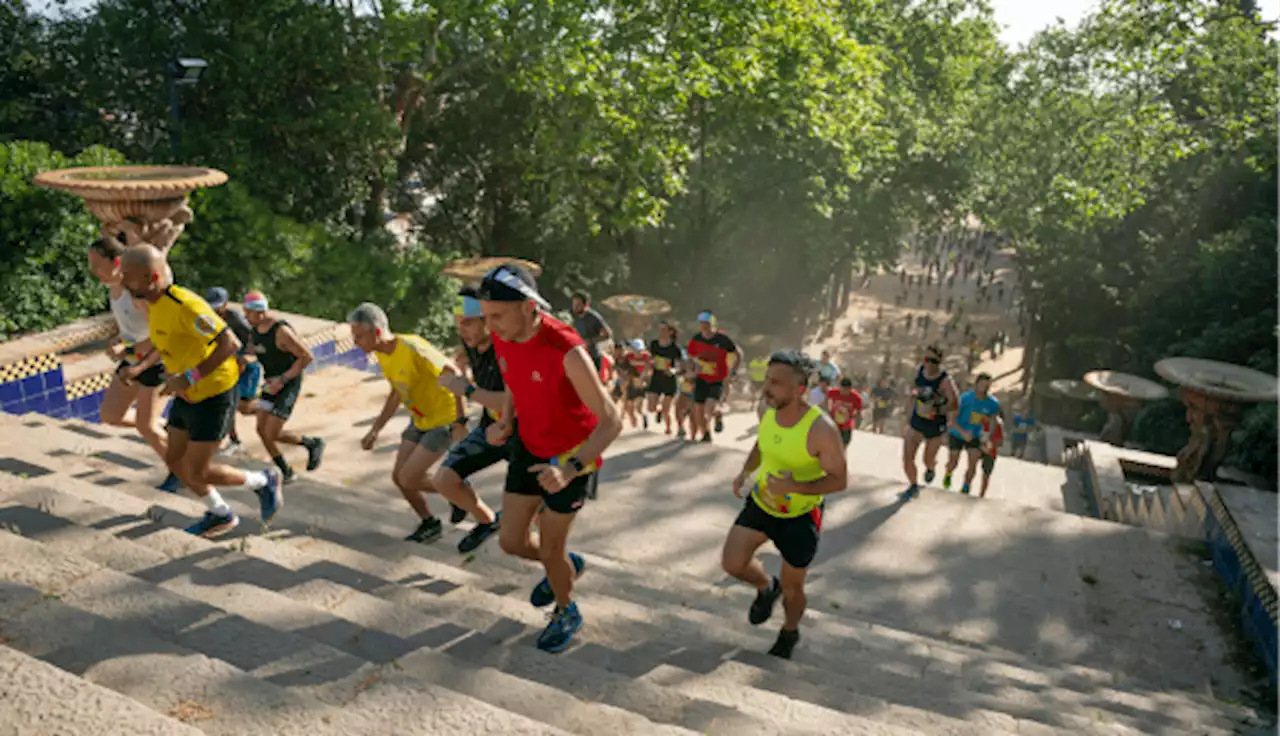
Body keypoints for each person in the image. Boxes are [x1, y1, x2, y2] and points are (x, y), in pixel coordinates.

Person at [477, 263, 622, 653]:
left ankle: (566, 608)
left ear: (527, 307)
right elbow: (513, 380)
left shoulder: (568, 350)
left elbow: (612, 422)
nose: (490, 327)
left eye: (497, 316)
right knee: (510, 541)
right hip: (528, 443)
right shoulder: (505, 335)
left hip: (573, 456)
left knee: (550, 549)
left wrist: (569, 468)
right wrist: (505, 420)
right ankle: (564, 566)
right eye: (486, 316)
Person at [118, 245, 281, 537]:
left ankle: (263, 481)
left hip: (214, 394)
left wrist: (190, 377)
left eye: (128, 277)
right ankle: (221, 514)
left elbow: (229, 343)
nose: (123, 282)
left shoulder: (186, 306)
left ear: (151, 277)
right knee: (174, 460)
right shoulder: (155, 304)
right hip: (187, 394)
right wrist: (136, 364)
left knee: (198, 471)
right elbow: (163, 342)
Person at [722, 350, 848, 659]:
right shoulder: (767, 409)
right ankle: (766, 586)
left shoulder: (821, 430)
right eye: (767, 379)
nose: (767, 388)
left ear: (799, 389)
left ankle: (789, 632)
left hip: (801, 515)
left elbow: (839, 480)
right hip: (763, 501)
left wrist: (796, 486)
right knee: (732, 563)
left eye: (776, 383)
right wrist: (746, 470)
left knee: (794, 589)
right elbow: (762, 443)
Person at [350, 302, 468, 544]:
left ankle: (457, 490)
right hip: (420, 419)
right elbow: (396, 392)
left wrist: (461, 421)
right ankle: (430, 522)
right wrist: (376, 429)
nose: (355, 342)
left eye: (359, 336)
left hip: (443, 418)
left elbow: (454, 371)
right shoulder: (383, 354)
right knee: (399, 477)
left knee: (409, 477)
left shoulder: (412, 346)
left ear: (378, 332)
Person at [87, 238, 178, 492]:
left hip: (155, 363)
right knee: (110, 416)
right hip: (131, 361)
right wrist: (118, 339)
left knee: (145, 426)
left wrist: (127, 350)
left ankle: (179, 471)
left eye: (97, 264)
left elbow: (161, 335)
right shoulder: (113, 288)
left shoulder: (136, 292)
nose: (93, 271)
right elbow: (132, 328)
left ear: (116, 262)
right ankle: (168, 430)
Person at [432, 289, 505, 553]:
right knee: (444, 480)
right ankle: (487, 521)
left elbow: (514, 404)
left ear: (488, 321)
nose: (462, 330)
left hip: (524, 433)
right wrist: (460, 418)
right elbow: (459, 367)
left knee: (529, 521)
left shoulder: (508, 349)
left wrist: (468, 390)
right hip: (490, 427)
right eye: (458, 322)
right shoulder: (470, 346)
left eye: (468, 322)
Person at [242, 291, 325, 483]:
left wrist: (283, 380)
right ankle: (285, 470)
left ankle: (311, 443)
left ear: (260, 312)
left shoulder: (281, 332)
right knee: (261, 430)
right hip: (271, 383)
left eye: (248, 313)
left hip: (288, 383)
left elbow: (306, 356)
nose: (245, 317)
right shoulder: (254, 330)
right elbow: (254, 351)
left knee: (273, 432)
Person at [206, 287, 259, 455]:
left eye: (218, 307)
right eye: (211, 306)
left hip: (246, 365)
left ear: (225, 305)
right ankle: (234, 440)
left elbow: (254, 339)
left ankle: (270, 409)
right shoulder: (208, 318)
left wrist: (245, 359)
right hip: (228, 366)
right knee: (229, 403)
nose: (215, 310)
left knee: (243, 407)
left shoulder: (236, 319)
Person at [901, 345, 958, 500]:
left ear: (940, 362)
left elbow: (954, 403)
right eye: (927, 359)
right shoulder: (920, 371)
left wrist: (937, 410)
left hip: (935, 424)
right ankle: (913, 486)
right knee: (907, 456)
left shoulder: (945, 380)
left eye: (934, 361)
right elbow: (913, 391)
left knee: (927, 458)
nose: (930, 364)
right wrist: (907, 415)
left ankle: (931, 467)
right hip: (917, 420)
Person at [686, 311, 742, 443]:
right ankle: (706, 434)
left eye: (707, 324)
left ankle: (717, 415)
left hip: (717, 379)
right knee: (698, 411)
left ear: (713, 324)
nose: (704, 326)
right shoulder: (696, 339)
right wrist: (690, 370)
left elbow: (738, 354)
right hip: (701, 379)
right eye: (702, 324)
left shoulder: (722, 339)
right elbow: (690, 357)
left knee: (708, 409)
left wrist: (733, 371)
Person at [943, 373, 1001, 495]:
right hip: (958, 432)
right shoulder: (965, 398)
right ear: (976, 384)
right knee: (953, 461)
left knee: (973, 462)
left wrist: (988, 437)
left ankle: (966, 486)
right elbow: (952, 419)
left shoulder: (993, 403)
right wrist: (962, 432)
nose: (984, 388)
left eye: (987, 386)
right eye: (981, 385)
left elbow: (993, 421)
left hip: (975, 435)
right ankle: (948, 474)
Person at [645, 321, 683, 435]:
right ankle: (658, 411)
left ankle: (668, 429)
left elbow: (680, 366)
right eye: (660, 330)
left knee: (667, 409)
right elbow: (650, 359)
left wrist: (673, 370)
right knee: (651, 408)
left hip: (669, 380)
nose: (661, 332)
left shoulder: (675, 348)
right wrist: (647, 371)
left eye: (664, 330)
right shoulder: (654, 344)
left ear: (670, 332)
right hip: (656, 378)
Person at [570, 291, 612, 370]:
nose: (575, 307)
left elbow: (608, 334)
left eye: (578, 305)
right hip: (579, 356)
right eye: (574, 304)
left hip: (592, 357)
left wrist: (590, 341)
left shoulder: (593, 317)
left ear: (585, 305)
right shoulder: (573, 316)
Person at [827, 377, 864, 447]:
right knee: (830, 445)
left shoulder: (856, 398)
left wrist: (849, 417)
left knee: (843, 447)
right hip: (833, 424)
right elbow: (825, 400)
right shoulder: (832, 392)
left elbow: (859, 413)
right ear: (839, 387)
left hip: (846, 426)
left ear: (850, 389)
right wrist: (828, 412)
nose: (844, 392)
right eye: (842, 389)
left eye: (846, 390)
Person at [622, 338, 651, 428]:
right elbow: (624, 367)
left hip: (642, 383)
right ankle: (634, 424)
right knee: (629, 404)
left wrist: (643, 378)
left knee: (639, 408)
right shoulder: (628, 356)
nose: (635, 351)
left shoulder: (646, 356)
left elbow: (648, 369)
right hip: (632, 381)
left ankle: (644, 416)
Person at [978, 412, 1004, 498]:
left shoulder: (998, 424)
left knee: (986, 474)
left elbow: (1000, 442)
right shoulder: (978, 419)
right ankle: (966, 486)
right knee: (971, 466)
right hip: (977, 447)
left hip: (990, 451)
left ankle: (981, 495)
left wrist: (991, 445)